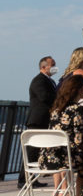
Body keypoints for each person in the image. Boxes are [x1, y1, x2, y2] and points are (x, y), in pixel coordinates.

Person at [37, 74, 83, 196]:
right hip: (65, 159)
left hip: (46, 159)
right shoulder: (77, 110)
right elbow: (81, 140)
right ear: (79, 90)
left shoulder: (56, 110)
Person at [20, 55, 58, 187]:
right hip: (38, 120)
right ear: (43, 67)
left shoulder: (50, 81)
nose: (54, 68)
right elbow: (44, 97)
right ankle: (23, 180)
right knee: (31, 151)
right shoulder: (39, 81)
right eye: (52, 65)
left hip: (44, 120)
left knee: (36, 152)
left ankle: (31, 179)